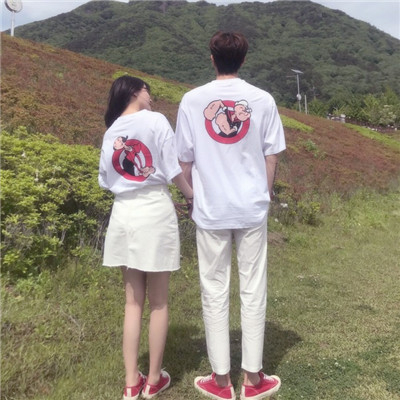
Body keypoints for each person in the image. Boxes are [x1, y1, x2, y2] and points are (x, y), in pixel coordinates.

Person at [175, 31, 286, 400]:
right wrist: (265, 194)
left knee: (214, 289)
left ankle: (221, 380)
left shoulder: (192, 101)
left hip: (211, 207)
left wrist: (190, 198)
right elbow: (271, 156)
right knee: (253, 287)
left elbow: (184, 161)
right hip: (251, 206)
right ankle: (252, 379)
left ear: (212, 59)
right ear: (243, 59)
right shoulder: (263, 100)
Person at [99, 76, 193, 400]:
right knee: (159, 301)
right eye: (148, 91)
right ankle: (153, 379)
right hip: (154, 210)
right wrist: (191, 195)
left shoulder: (111, 131)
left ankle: (130, 382)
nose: (151, 98)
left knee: (132, 302)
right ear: (136, 91)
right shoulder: (155, 121)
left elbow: (105, 179)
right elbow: (172, 168)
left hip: (123, 213)